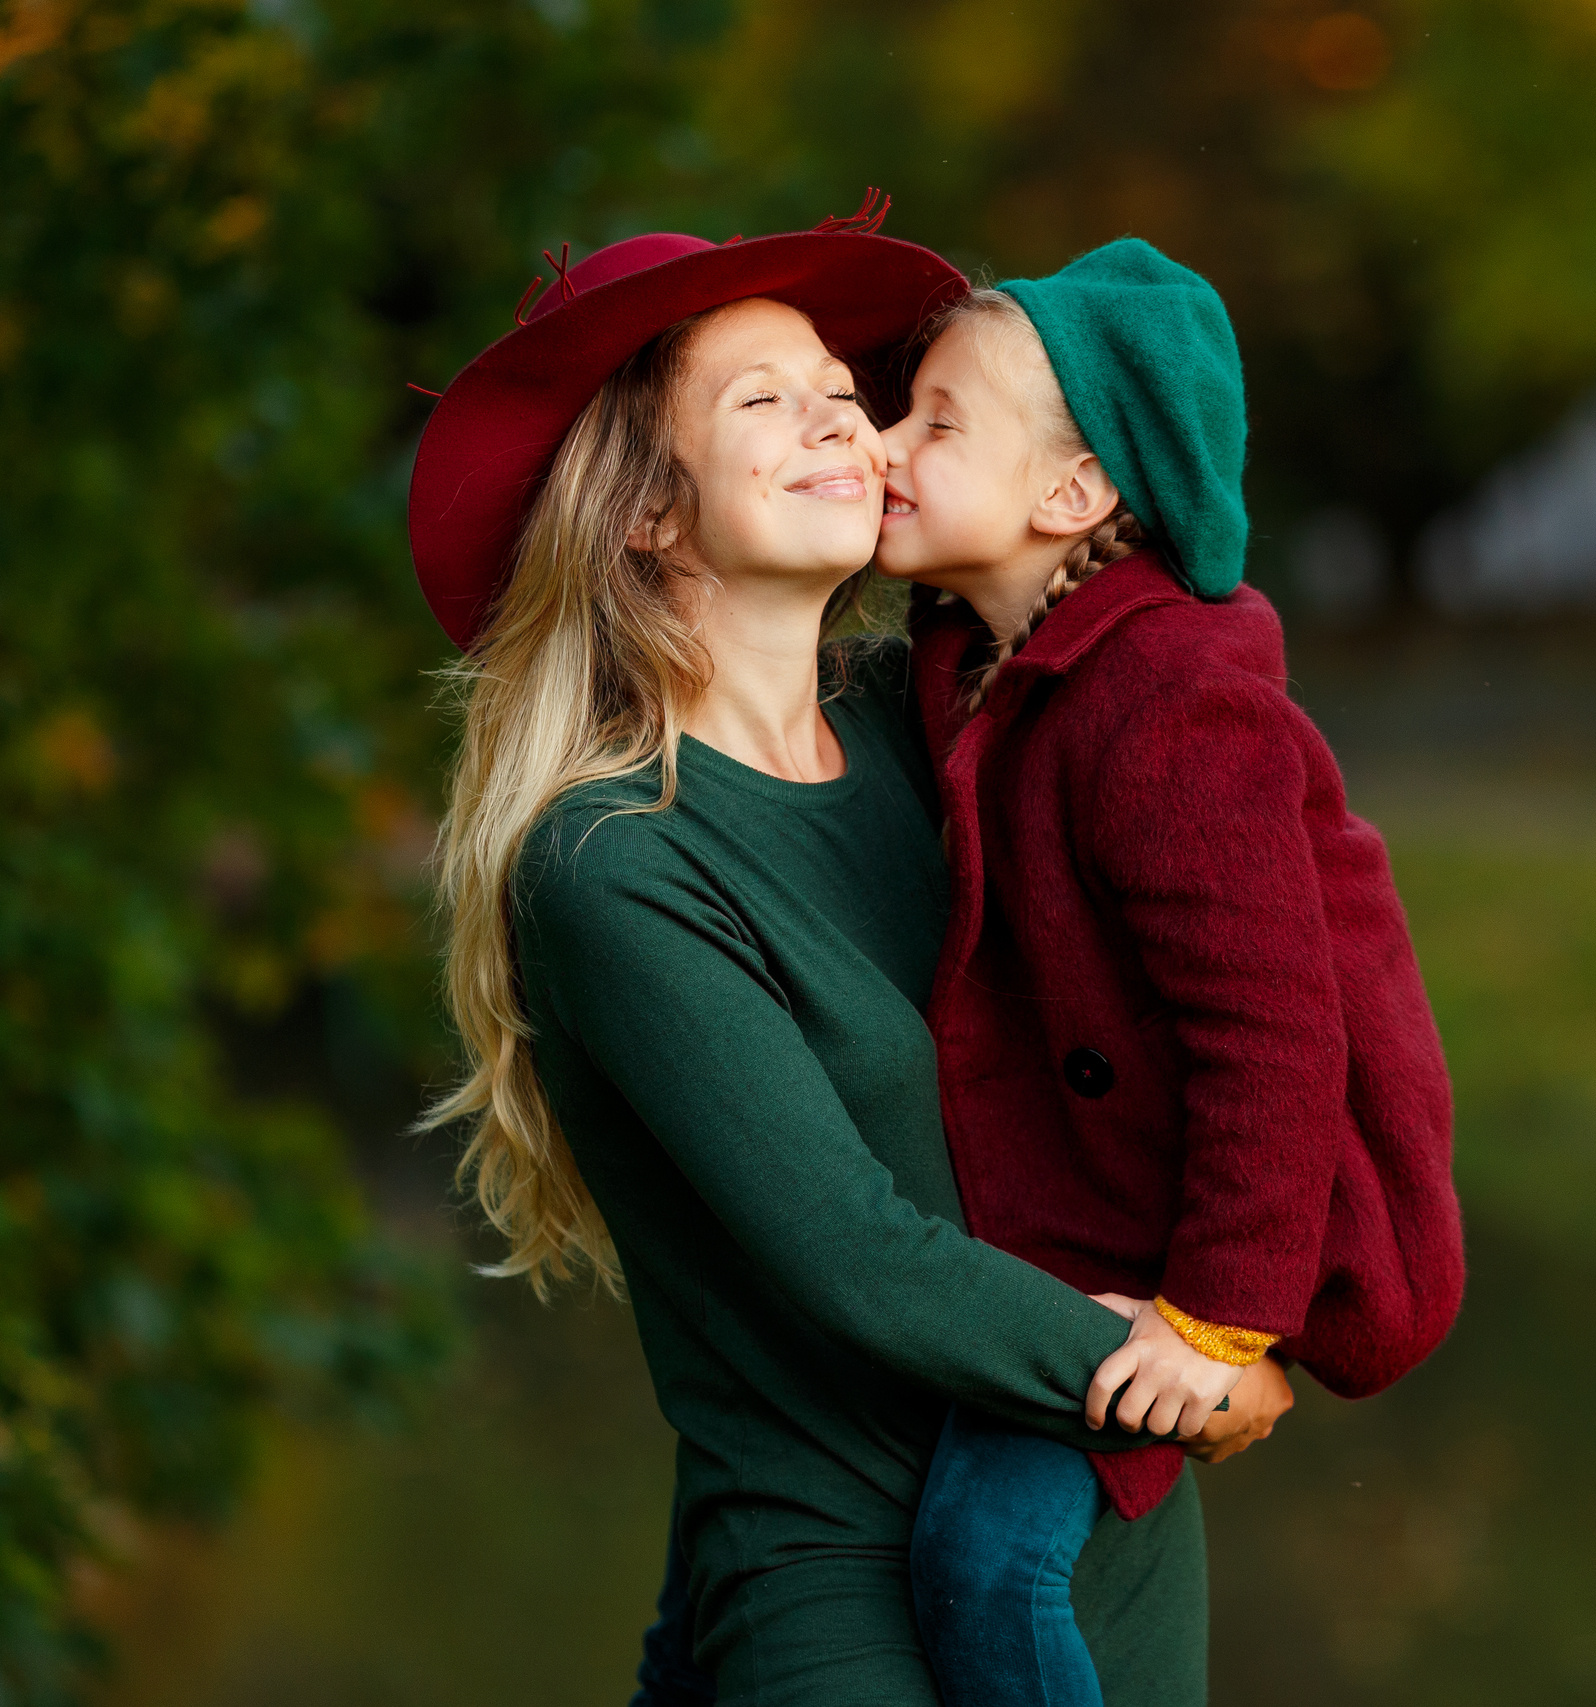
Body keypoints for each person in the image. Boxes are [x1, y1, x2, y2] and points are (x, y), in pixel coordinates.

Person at [409, 225, 1287, 1707]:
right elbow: (854, 1254)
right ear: (649, 518)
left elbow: (1238, 965)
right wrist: (1190, 1375)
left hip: (1099, 1514)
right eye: (765, 401)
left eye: (840, 389)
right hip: (838, 1575)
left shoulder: (948, 724)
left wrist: (1255, 1305)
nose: (845, 420)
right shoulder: (614, 861)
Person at [867, 239, 1467, 1707]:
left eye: (935, 422)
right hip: (1083, 1211)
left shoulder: (1172, 707)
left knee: (985, 1557)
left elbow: (1274, 1029)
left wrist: (1216, 1322)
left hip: (1192, 1247)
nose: (880, 444)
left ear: (1068, 498)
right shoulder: (969, 654)